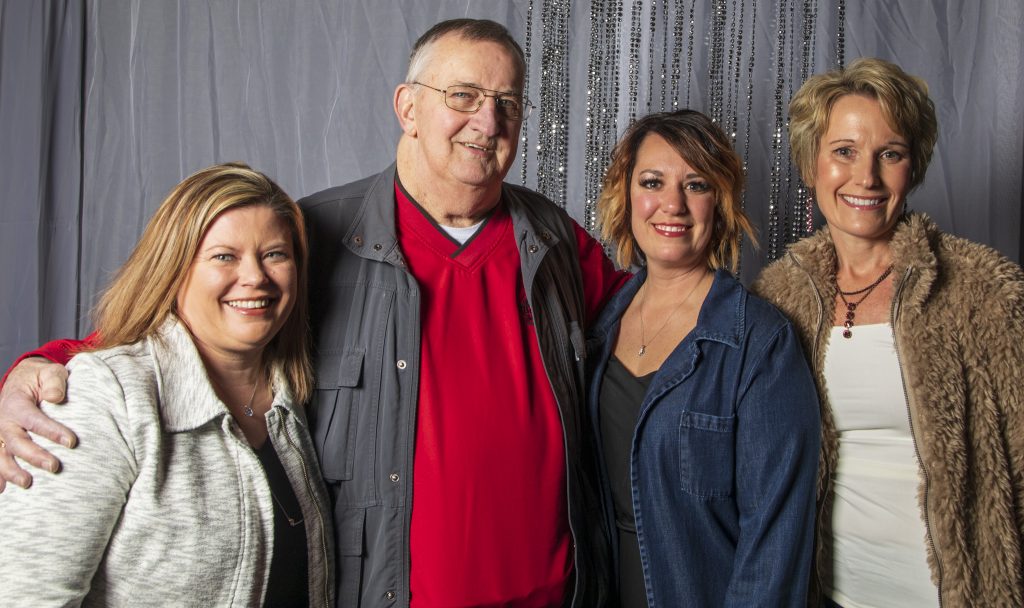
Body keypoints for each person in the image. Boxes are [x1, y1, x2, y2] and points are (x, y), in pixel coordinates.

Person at [0, 19, 626, 607]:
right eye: (463, 95)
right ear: (408, 108)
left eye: (507, 102)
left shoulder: (553, 241)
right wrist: (39, 369)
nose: (487, 121)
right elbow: (171, 334)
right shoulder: (313, 236)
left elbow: (647, 323)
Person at [753, 57, 1024, 607]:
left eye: (890, 154)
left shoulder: (983, 290)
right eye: (844, 151)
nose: (866, 177)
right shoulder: (776, 297)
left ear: (913, 166)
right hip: (825, 595)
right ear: (810, 163)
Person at [0, 163, 333, 606]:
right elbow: (25, 595)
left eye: (275, 254)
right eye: (224, 256)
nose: (255, 277)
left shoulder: (295, 398)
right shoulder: (108, 396)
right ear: (173, 269)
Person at [587, 110, 820, 607]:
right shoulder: (598, 325)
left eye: (695, 185)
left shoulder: (761, 343)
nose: (672, 204)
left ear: (720, 203)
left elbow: (775, 547)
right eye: (652, 182)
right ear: (626, 195)